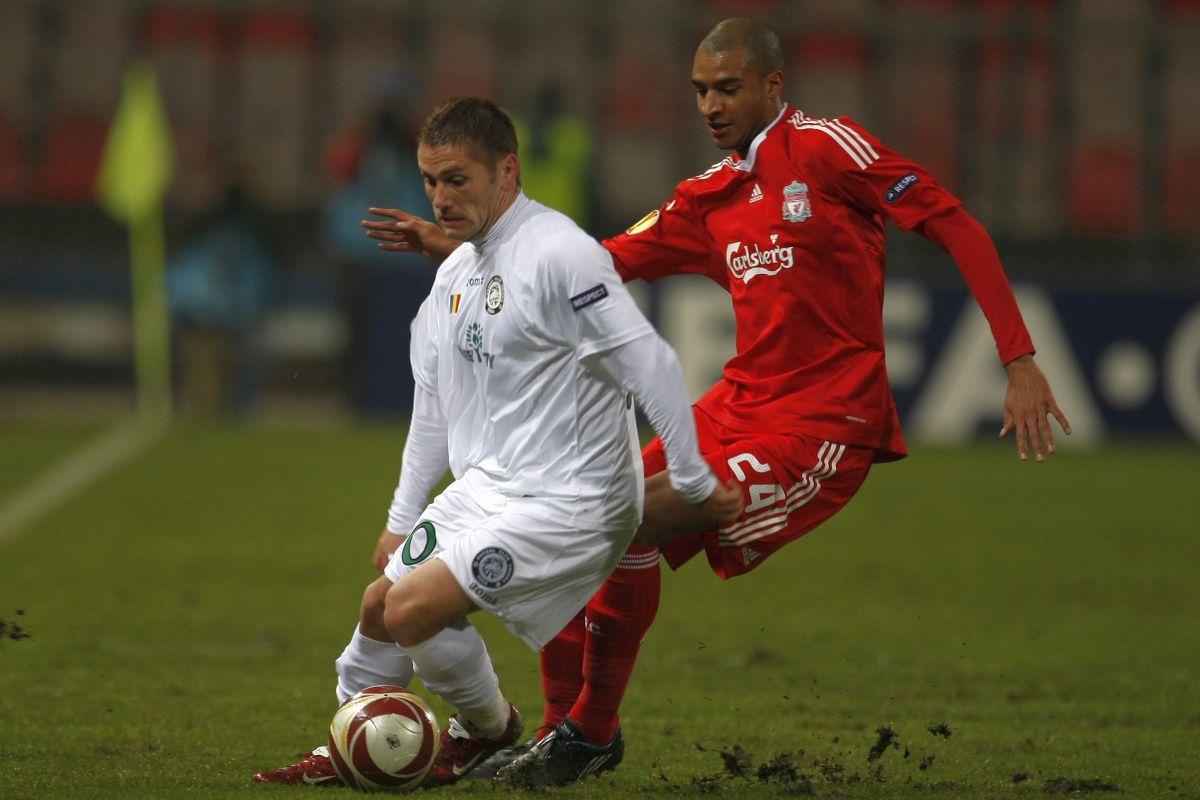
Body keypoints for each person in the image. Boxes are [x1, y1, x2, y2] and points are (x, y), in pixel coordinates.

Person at [362, 16, 1073, 787]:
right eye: (701, 90)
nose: (710, 105)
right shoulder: (709, 197)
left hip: (823, 425)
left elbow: (953, 224)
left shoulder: (828, 150)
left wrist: (1019, 358)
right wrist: (461, 249)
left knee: (631, 516)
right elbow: (585, 267)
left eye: (728, 88)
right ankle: (558, 732)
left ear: (773, 85)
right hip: (735, 407)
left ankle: (590, 733)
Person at [251, 96, 742, 788]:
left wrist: (689, 478)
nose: (439, 198)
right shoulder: (456, 273)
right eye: (430, 181)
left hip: (572, 500)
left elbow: (652, 363)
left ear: (507, 171)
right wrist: (401, 519)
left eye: (457, 180)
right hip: (491, 488)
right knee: (377, 606)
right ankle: (352, 740)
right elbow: (432, 404)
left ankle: (486, 730)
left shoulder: (561, 254)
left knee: (412, 610)